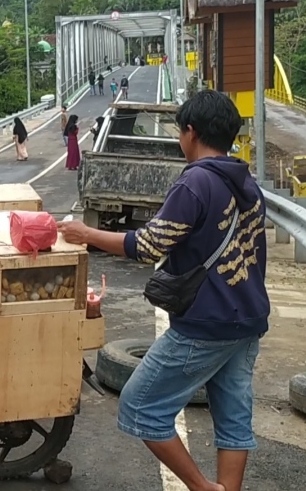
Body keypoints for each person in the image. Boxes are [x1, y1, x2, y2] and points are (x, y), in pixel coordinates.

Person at [57, 90, 268, 491]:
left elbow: (149, 245)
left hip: (205, 323)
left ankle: (203, 488)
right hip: (248, 318)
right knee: (234, 419)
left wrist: (86, 234)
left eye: (179, 132)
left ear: (191, 132)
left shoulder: (195, 182)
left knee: (140, 407)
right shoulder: (247, 184)